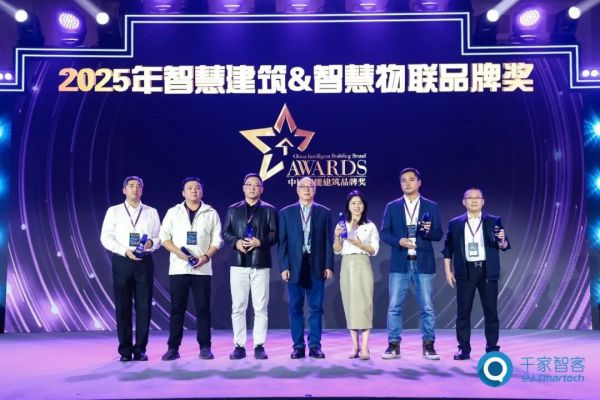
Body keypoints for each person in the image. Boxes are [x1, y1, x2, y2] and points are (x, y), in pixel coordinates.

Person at [380, 167, 443, 360]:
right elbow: (384, 233)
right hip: (400, 262)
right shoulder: (392, 206)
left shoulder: (431, 206)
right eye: (403, 180)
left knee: (427, 306)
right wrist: (399, 241)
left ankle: (429, 344)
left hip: (423, 261)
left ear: (419, 182)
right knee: (394, 306)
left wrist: (428, 231)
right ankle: (393, 345)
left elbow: (438, 234)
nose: (407, 183)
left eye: (411, 179)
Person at [442, 188, 510, 360]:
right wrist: (448, 270)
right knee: (463, 312)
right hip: (465, 271)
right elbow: (448, 248)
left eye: (477, 197)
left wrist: (502, 239)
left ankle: (492, 348)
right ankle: (463, 349)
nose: (473, 200)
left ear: (483, 201)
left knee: (491, 311)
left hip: (487, 270)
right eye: (469, 198)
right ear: (463, 202)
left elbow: (504, 245)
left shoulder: (493, 220)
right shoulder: (455, 223)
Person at [159, 177, 223, 361]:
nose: (194, 191)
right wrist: (178, 252)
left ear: (202, 192)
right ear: (183, 193)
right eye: (189, 188)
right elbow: (164, 237)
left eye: (197, 188)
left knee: (203, 309)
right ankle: (173, 348)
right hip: (179, 268)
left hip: (202, 269)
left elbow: (217, 240)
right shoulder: (173, 212)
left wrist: (205, 257)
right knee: (177, 309)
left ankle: (205, 347)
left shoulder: (211, 212)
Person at [100, 176, 161, 362]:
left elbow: (160, 237)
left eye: (139, 186)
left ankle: (140, 349)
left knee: (144, 307)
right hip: (123, 261)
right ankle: (125, 350)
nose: (135, 189)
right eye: (131, 186)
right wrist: (124, 251)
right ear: (124, 190)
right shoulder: (114, 211)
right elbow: (106, 237)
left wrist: (151, 243)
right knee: (123, 306)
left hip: (144, 261)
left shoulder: (151, 212)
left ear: (142, 190)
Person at [223, 173, 278, 360]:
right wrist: (236, 242)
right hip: (238, 263)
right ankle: (239, 345)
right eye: (249, 185)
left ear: (262, 189)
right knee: (238, 306)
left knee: (260, 307)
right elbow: (226, 232)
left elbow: (274, 235)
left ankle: (259, 345)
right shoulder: (233, 209)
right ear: (243, 188)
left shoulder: (269, 210)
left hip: (260, 263)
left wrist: (259, 242)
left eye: (256, 185)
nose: (253, 188)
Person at [279, 177, 334, 359]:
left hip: (316, 264)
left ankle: (315, 345)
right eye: (303, 186)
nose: (307, 190)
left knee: (316, 308)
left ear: (315, 190)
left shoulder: (324, 212)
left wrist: (328, 265)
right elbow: (283, 242)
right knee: (295, 308)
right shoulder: (286, 213)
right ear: (297, 190)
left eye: (310, 186)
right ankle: (298, 346)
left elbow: (328, 241)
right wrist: (284, 266)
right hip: (295, 266)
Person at [333, 190, 380, 361]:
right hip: (346, 264)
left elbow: (374, 250)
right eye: (353, 203)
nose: (357, 206)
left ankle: (365, 347)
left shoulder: (370, 226)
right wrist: (337, 236)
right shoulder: (342, 224)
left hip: (362, 263)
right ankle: (355, 346)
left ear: (364, 206)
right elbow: (337, 250)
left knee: (364, 304)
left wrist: (360, 244)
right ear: (348, 206)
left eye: (359, 203)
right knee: (350, 304)